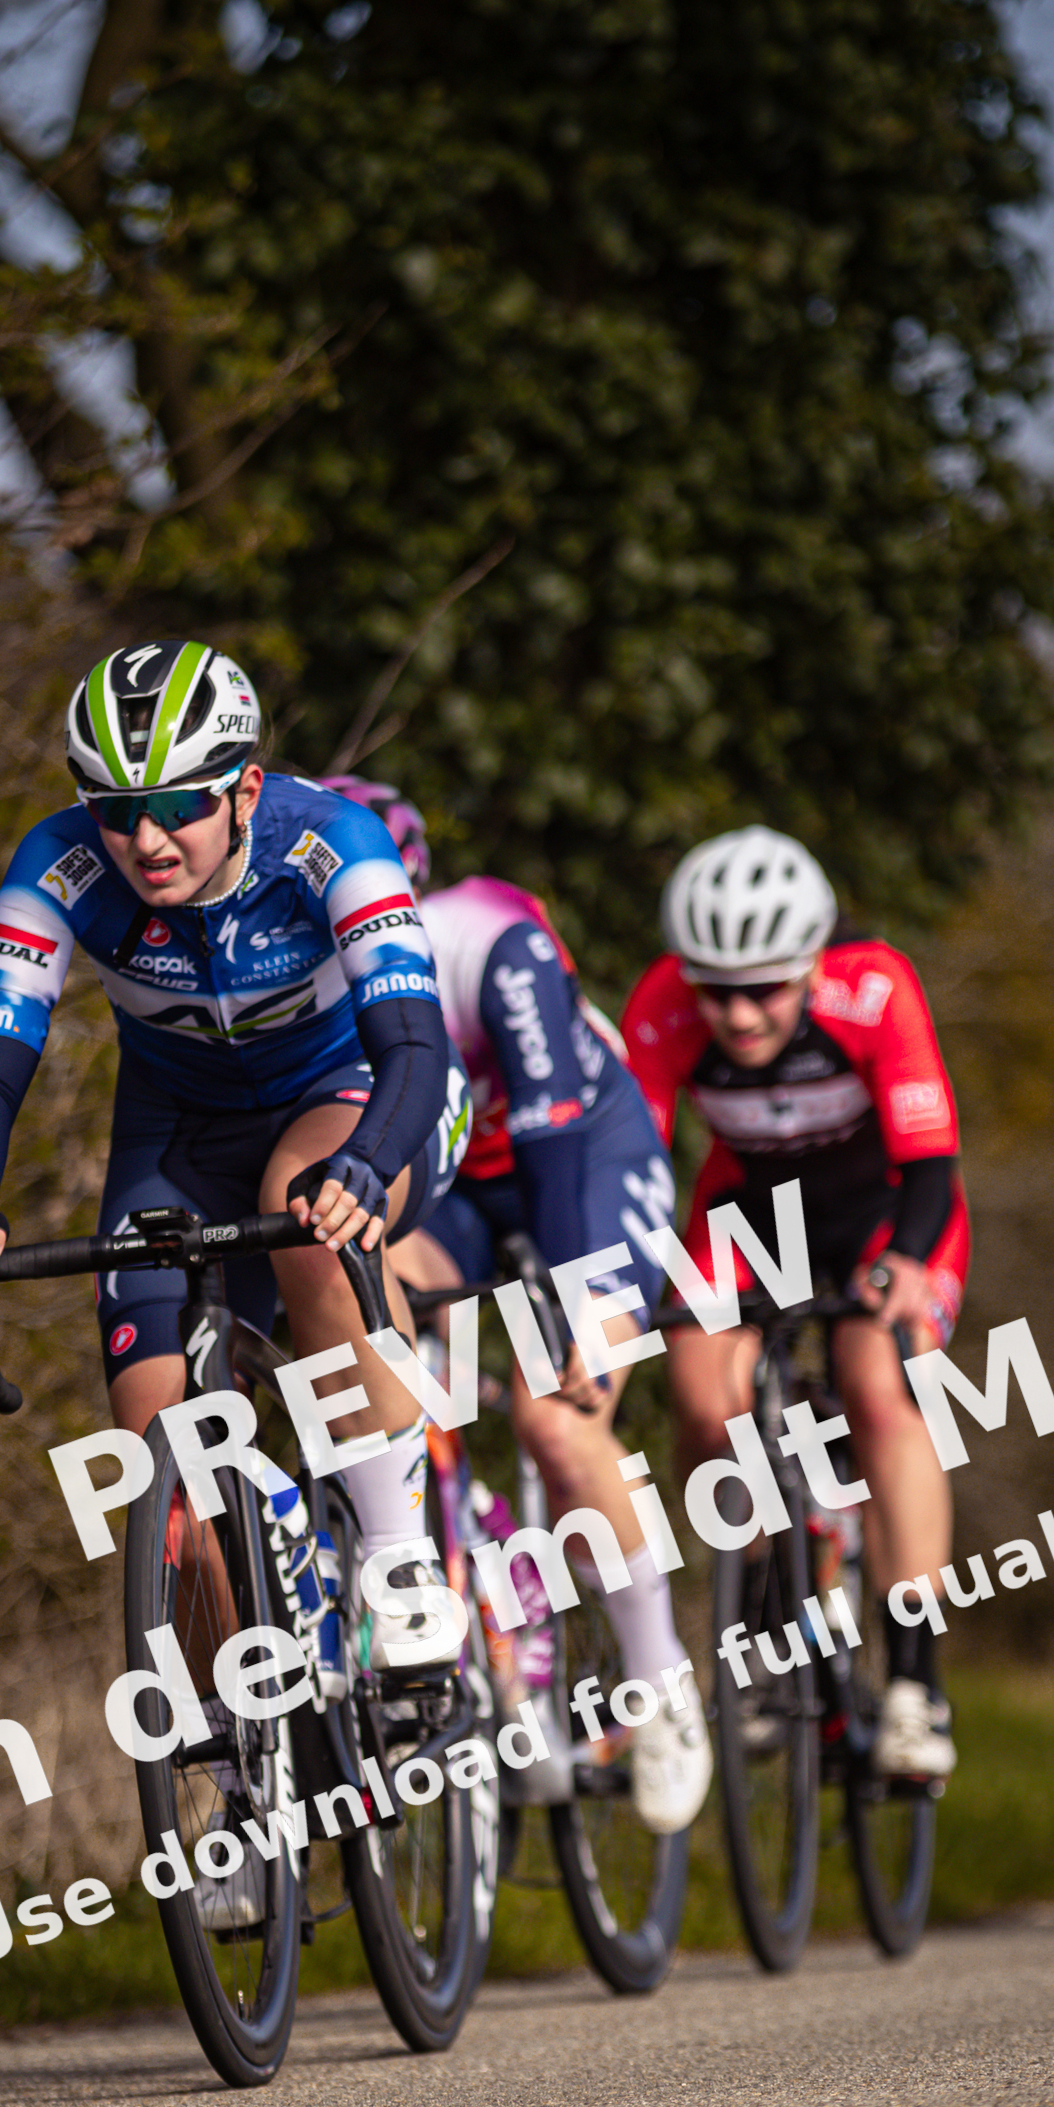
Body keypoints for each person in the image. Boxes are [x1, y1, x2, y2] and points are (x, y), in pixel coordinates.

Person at [0, 650, 468, 1664]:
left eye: (177, 803)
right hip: (177, 1129)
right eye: (115, 809)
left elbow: (414, 1044)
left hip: (353, 1091)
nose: (145, 838)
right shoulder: (59, 864)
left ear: (245, 786)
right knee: (157, 1453)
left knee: (307, 1213)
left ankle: (398, 1564)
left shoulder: (333, 843)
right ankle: (250, 1731)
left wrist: (363, 1162)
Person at [326, 781, 710, 1837]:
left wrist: (570, 1316)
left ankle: (658, 1681)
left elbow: (546, 1134)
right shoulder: (300, 988)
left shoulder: (488, 938)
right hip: (451, 1184)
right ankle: (449, 1547)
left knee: (555, 1414)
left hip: (583, 1158)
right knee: (370, 1313)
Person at [622, 828, 967, 1782]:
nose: (737, 1014)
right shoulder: (662, 1004)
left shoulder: (876, 987)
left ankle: (913, 1682)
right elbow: (635, 1166)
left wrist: (903, 1266)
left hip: (883, 1210)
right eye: (716, 989)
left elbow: (932, 1161)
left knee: (878, 1382)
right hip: (748, 1212)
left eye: (765, 987)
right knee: (698, 1392)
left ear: (813, 965)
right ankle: (773, 1605)